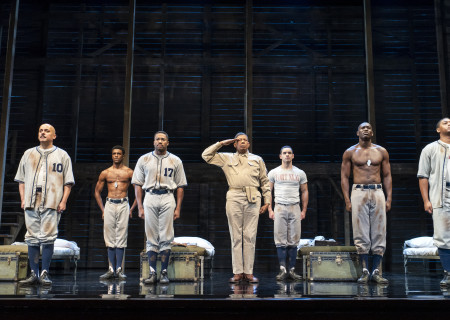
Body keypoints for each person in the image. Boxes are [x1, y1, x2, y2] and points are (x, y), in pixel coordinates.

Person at [202, 132, 271, 283]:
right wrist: (221, 143)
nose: (242, 142)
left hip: (253, 196)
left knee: (250, 236)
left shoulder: (257, 159)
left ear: (249, 144)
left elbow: (265, 181)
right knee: (236, 236)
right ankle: (238, 272)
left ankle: (249, 272)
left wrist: (267, 201)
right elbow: (206, 155)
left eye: (245, 140)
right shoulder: (227, 157)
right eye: (239, 140)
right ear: (234, 144)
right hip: (234, 196)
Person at [14, 124, 75, 286]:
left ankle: (45, 273)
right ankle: (33, 273)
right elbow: (21, 179)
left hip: (52, 201)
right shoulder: (29, 154)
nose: (42, 133)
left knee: (48, 237)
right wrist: (23, 199)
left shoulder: (62, 155)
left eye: (46, 131)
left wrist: (63, 201)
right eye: (40, 130)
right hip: (32, 200)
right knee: (32, 238)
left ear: (54, 136)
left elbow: (68, 182)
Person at [132, 131, 187, 285]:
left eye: (163, 139)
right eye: (157, 139)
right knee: (151, 235)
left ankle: (163, 272)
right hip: (150, 195)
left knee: (166, 235)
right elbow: (137, 184)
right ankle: (152, 272)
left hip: (168, 196)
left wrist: (178, 208)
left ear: (168, 142)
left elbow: (181, 186)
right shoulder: (144, 159)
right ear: (153, 141)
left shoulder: (175, 160)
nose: (160, 141)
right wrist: (139, 207)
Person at [341, 122, 392, 284]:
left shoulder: (381, 151)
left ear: (372, 132)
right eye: (363, 128)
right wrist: (347, 199)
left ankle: (376, 271)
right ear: (357, 132)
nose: (366, 130)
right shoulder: (350, 152)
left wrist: (389, 197)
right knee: (360, 231)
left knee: (379, 230)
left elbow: (387, 175)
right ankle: (364, 271)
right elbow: (344, 176)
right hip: (359, 191)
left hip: (377, 191)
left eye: (369, 128)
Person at [94, 145, 136, 280]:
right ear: (112, 156)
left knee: (121, 236)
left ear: (123, 156)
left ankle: (119, 270)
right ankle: (111, 269)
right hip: (110, 204)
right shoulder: (105, 173)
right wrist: (103, 209)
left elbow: (138, 191)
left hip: (123, 203)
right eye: (114, 153)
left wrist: (132, 208)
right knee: (110, 237)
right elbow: (97, 192)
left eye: (119, 153)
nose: (116, 155)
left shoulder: (129, 172)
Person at [418, 117, 450, 288]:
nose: (449, 124)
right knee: (443, 237)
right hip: (440, 196)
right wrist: (426, 200)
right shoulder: (430, 149)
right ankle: (448, 272)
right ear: (438, 129)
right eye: (445, 122)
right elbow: (423, 176)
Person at [268, 146, 308, 281]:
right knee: (280, 240)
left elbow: (304, 191)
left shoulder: (300, 173)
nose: (287, 155)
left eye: (289, 153)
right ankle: (282, 270)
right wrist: (269, 209)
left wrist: (303, 210)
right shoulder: (274, 172)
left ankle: (292, 270)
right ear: (280, 156)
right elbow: (268, 191)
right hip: (279, 207)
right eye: (284, 153)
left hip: (294, 207)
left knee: (293, 240)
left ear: (293, 156)